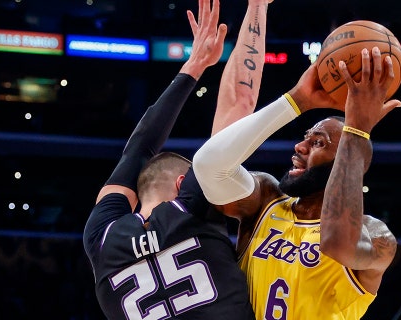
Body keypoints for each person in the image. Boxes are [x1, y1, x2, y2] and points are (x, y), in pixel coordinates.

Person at [82, 0, 274, 318]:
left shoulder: (102, 236)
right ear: (183, 183)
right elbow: (241, 101)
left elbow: (136, 151)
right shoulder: (193, 207)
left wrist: (194, 66)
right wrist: (257, 6)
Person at [193, 47, 401, 319]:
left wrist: (357, 130)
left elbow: (337, 243)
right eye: (306, 137)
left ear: (348, 161)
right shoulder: (266, 201)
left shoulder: (375, 235)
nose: (300, 146)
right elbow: (209, 166)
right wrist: (296, 100)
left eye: (318, 143)